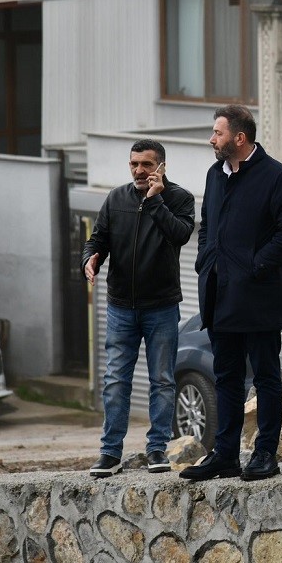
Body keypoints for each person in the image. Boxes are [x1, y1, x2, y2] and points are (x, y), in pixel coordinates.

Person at [180, 105, 282, 482]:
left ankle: (265, 454)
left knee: (265, 377)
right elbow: (207, 225)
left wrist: (254, 267)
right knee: (226, 376)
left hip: (260, 295)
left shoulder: (276, 176)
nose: (212, 139)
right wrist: (205, 261)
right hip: (219, 294)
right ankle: (225, 454)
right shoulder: (215, 174)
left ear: (240, 138)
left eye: (218, 133)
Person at [82, 139, 195, 477]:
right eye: (134, 164)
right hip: (121, 307)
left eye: (146, 164)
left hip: (161, 306)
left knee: (162, 380)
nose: (139, 171)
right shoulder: (116, 198)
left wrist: (155, 200)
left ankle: (157, 449)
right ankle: (110, 452)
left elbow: (180, 235)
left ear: (161, 166)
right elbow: (98, 239)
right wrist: (89, 258)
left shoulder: (179, 198)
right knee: (116, 379)